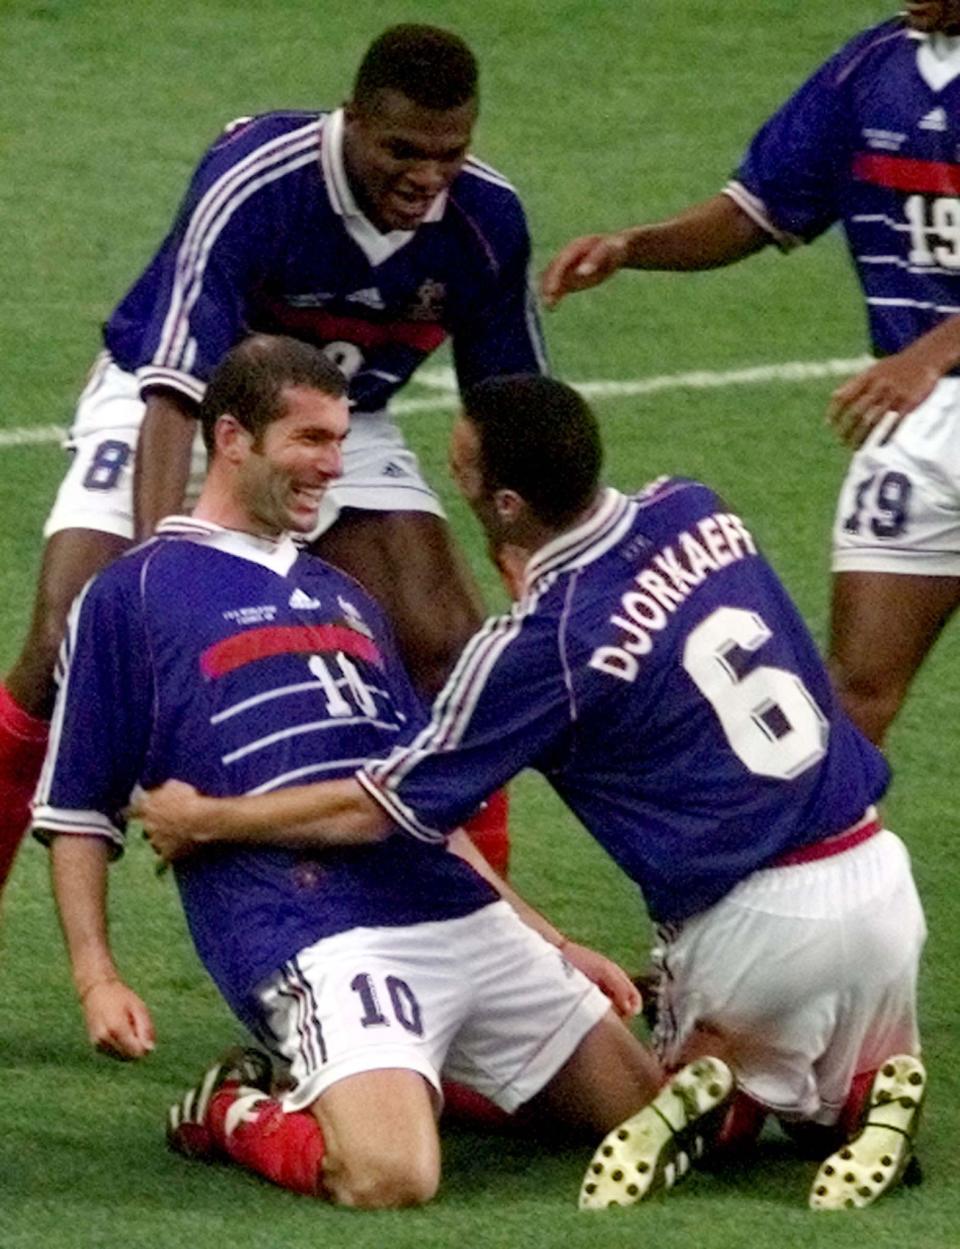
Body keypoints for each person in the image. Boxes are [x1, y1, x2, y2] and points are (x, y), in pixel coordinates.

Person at [139, 375, 928, 1212]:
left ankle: (711, 1081)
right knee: (814, 1110)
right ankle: (872, 1096)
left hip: (751, 925)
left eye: (465, 460)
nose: (453, 464)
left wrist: (209, 817)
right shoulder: (697, 507)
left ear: (506, 502)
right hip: (878, 875)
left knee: (696, 1099)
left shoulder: (539, 643)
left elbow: (383, 807)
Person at [34, 338, 737, 1210]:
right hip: (314, 924)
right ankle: (233, 1108)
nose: (333, 465)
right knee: (390, 1175)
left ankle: (417, 1076)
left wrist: (551, 941)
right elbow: (77, 809)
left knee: (649, 1111)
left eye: (339, 440)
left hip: (455, 909)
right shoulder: (133, 593)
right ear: (231, 438)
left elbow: (420, 805)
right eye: (311, 440)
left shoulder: (345, 592)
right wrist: (96, 977)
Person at [0, 23, 546, 894]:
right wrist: (159, 578)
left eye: (451, 153)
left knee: (448, 647)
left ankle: (482, 935)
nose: (428, 177)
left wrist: (531, 551)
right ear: (353, 121)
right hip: (176, 395)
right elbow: (176, 387)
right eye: (404, 150)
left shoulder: (487, 219)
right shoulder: (259, 177)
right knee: (68, 631)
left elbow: (513, 409)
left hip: (341, 416)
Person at [541, 3, 960, 749]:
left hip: (916, 380)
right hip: (916, 428)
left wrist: (929, 353)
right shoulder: (871, 67)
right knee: (853, 696)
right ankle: (833, 864)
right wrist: (633, 246)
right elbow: (755, 212)